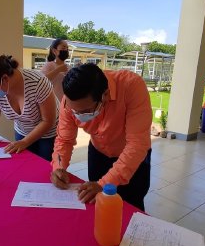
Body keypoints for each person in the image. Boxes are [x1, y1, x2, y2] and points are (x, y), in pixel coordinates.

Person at [49, 63, 153, 210]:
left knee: (131, 206)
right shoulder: (69, 101)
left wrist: (104, 184)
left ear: (105, 95)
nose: (79, 115)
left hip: (133, 158)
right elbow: (64, 140)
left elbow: (136, 145)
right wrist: (59, 167)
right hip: (98, 153)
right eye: (75, 112)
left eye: (85, 111)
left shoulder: (131, 86)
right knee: (98, 204)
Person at [0, 55, 58, 161]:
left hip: (48, 133)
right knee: (24, 165)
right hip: (22, 131)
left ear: (4, 78)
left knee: (45, 166)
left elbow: (48, 121)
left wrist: (25, 142)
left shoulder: (38, 83)